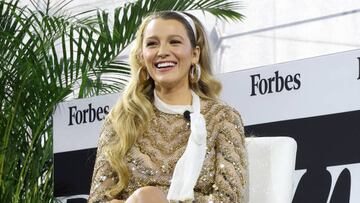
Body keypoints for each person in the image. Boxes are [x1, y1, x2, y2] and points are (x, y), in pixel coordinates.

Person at [88, 11, 248, 203]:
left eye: (174, 42)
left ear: (195, 54)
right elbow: (99, 199)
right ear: (142, 57)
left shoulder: (222, 118)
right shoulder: (122, 119)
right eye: (152, 44)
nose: (162, 51)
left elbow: (229, 199)